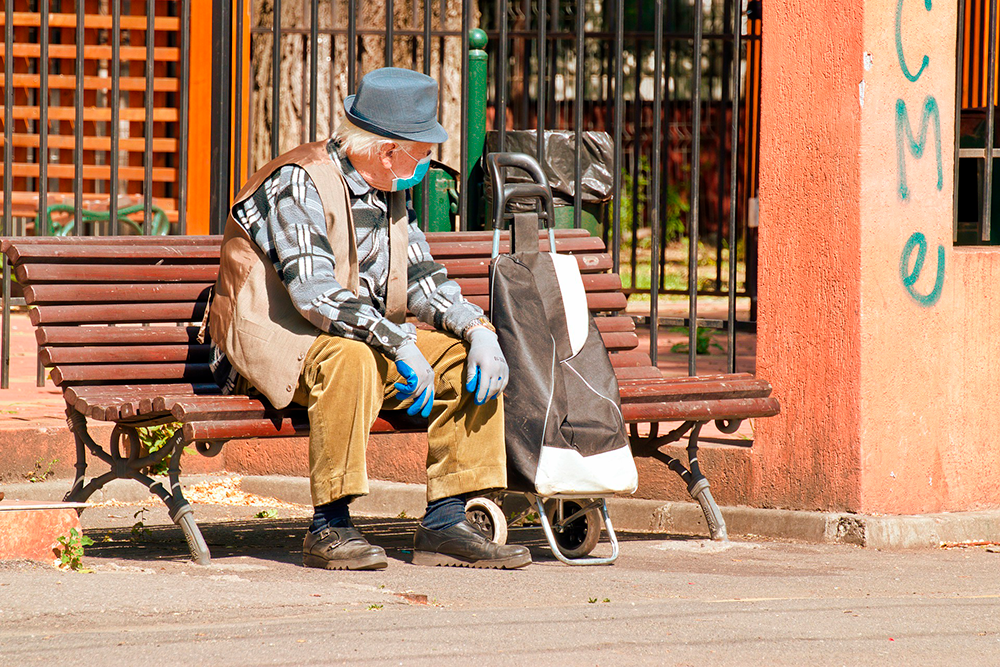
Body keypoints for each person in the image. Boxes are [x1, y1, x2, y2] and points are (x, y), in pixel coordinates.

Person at [207, 67, 530, 571]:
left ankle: (446, 521)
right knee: (353, 357)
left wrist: (477, 329)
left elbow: (423, 280)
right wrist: (398, 344)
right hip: (273, 341)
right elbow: (315, 294)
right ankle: (330, 525)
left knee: (465, 360)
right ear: (387, 151)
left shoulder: (388, 189)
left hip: (358, 338)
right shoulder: (299, 182)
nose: (428, 163)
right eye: (422, 152)